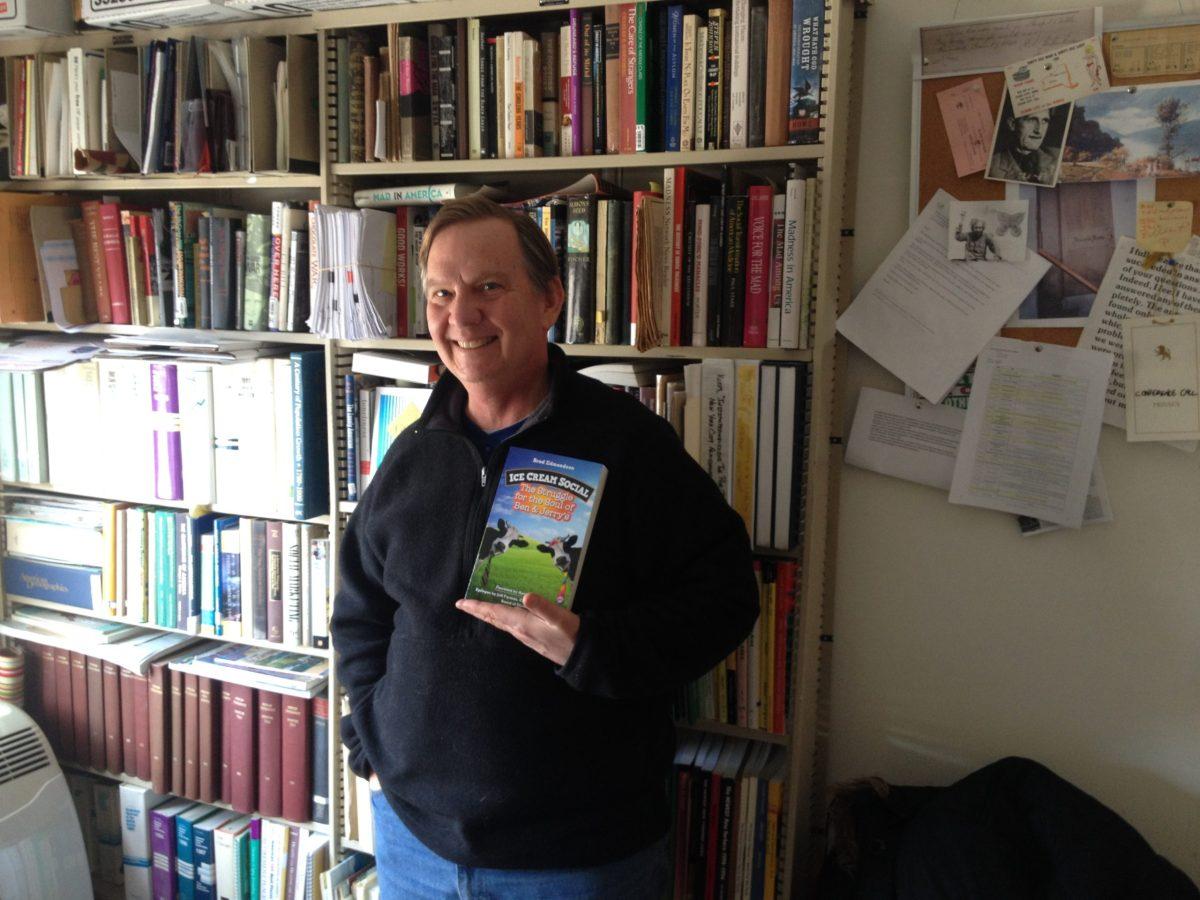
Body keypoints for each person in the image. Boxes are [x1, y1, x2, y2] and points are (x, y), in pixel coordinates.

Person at [331, 194, 759, 898]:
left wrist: (591, 646)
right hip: (414, 842)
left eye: (488, 288)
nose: (461, 316)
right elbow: (360, 613)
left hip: (577, 859)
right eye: (442, 292)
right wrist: (368, 745)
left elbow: (725, 598)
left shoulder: (629, 445)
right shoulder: (413, 452)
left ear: (550, 299)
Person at [988, 108, 1057, 185]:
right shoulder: (991, 167)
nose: (1039, 130)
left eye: (1044, 121)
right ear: (1012, 124)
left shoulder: (1057, 158)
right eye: (1032, 120)